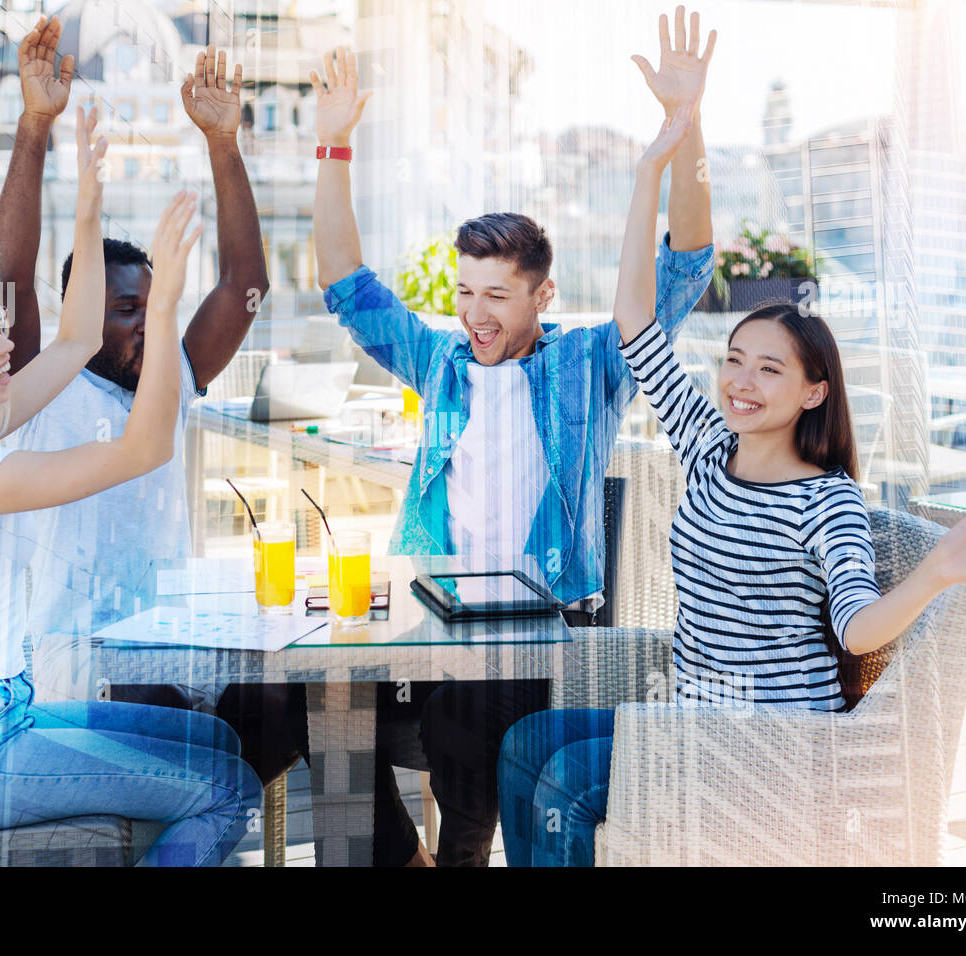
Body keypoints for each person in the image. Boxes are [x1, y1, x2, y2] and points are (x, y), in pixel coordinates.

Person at [497, 98, 966, 867]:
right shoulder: (704, 443)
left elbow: (857, 626)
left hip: (767, 749)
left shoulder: (826, 500)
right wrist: (650, 167)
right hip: (688, 721)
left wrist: (937, 572)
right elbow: (633, 315)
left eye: (769, 369)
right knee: (526, 742)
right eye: (733, 360)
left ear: (814, 392)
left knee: (564, 780)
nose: (741, 382)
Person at [309, 5, 716, 866]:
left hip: (537, 631)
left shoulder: (590, 364)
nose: (475, 313)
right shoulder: (440, 360)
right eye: (464, 292)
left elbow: (684, 269)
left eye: (496, 295)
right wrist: (335, 146)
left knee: (470, 791)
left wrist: (687, 129)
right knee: (326, 720)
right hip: (433, 621)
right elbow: (344, 284)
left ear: (541, 293)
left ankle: (453, 852)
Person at [0, 97, 261, 864]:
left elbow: (78, 335)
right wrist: (168, 299)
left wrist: (88, 199)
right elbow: (140, 450)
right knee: (224, 786)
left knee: (209, 738)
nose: (4, 345)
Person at [0, 18, 304, 789]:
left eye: (155, 304)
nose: (147, 321)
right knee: (171, 725)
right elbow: (8, 277)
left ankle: (199, 822)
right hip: (85, 657)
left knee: (288, 710)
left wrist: (224, 145)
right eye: (129, 308)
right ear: (80, 309)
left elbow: (243, 289)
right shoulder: (40, 382)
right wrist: (35, 126)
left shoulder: (173, 377)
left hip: (179, 638)